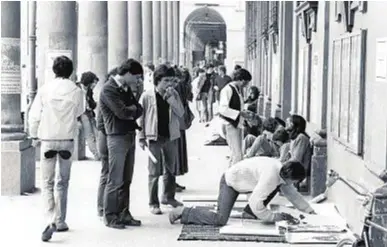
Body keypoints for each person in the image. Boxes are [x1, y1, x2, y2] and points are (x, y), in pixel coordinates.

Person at [28, 56, 84, 242]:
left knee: (47, 182)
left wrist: (34, 135)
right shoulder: (76, 91)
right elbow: (79, 114)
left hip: (48, 140)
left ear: (54, 70)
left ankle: (49, 219)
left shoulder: (44, 90)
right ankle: (60, 221)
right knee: (63, 181)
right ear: (71, 70)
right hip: (67, 139)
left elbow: (34, 114)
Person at [168, 158, 316, 226]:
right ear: (290, 177)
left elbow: (293, 195)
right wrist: (273, 217)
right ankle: (182, 212)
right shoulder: (271, 177)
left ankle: (248, 213)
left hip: (247, 183)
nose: (294, 185)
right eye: (295, 181)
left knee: (277, 187)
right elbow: (255, 202)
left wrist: (309, 211)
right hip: (230, 182)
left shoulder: (282, 172)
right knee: (220, 219)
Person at [99, 58, 144, 229]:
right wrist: (132, 110)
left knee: (126, 179)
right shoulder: (109, 89)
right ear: (127, 74)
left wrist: (132, 110)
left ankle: (124, 213)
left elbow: (138, 108)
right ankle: (110, 216)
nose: (138, 81)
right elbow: (123, 112)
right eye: (137, 77)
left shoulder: (125, 88)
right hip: (116, 137)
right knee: (115, 179)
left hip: (128, 134)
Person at [138, 64, 185, 215]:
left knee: (171, 168)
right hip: (154, 137)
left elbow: (180, 112)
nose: (169, 84)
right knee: (154, 171)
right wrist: (141, 136)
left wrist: (171, 99)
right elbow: (141, 117)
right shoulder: (147, 96)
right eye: (165, 81)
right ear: (157, 81)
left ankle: (168, 197)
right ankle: (153, 202)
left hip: (171, 136)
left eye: (171, 80)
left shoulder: (174, 94)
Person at [218, 68, 253, 165]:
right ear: (241, 80)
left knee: (236, 154)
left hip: (236, 124)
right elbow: (223, 109)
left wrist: (243, 112)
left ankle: (230, 176)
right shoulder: (228, 90)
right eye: (246, 82)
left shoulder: (237, 90)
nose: (246, 85)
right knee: (237, 155)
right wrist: (240, 113)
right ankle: (232, 177)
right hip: (230, 124)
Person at [96, 67, 118, 218]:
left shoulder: (105, 92)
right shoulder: (107, 93)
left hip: (105, 135)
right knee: (106, 172)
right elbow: (100, 123)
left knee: (107, 172)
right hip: (106, 136)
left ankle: (103, 207)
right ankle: (102, 207)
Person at [174, 68, 194, 192]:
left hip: (177, 123)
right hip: (178, 123)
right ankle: (172, 181)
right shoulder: (181, 86)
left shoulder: (178, 86)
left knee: (176, 152)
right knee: (176, 152)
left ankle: (173, 181)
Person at [281, 115, 313, 190]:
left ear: (294, 124)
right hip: (293, 165)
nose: (287, 123)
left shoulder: (301, 138)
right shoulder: (295, 137)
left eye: (289, 122)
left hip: (299, 168)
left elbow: (296, 159)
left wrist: (281, 164)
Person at [78, 71, 100, 160]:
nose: (95, 85)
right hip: (82, 114)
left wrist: (93, 104)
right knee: (89, 134)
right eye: (94, 82)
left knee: (97, 132)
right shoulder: (77, 88)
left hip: (89, 113)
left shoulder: (89, 90)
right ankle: (96, 155)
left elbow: (92, 102)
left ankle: (100, 152)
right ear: (89, 81)